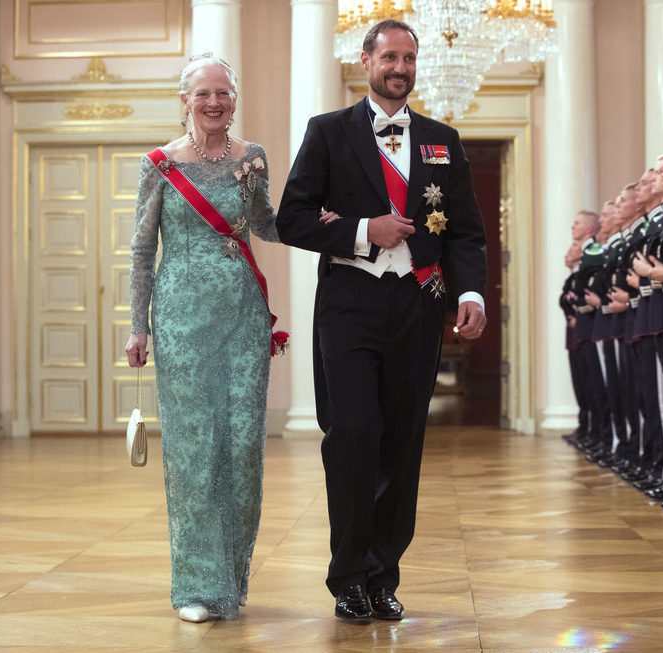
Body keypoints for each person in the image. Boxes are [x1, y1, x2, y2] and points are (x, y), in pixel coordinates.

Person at [276, 20, 488, 622]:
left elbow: (466, 233)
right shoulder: (329, 133)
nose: (400, 67)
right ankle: (347, 577)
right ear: (365, 60)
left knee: (402, 444)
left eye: (409, 58)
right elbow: (292, 219)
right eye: (390, 56)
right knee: (351, 438)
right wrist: (365, 231)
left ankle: (382, 576)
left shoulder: (442, 140)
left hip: (418, 308)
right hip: (349, 308)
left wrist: (470, 292)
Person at [125, 53, 284, 622]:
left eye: (223, 93)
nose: (214, 102)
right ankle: (195, 586)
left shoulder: (253, 158)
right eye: (203, 94)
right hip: (182, 318)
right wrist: (138, 324)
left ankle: (231, 581)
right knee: (194, 452)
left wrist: (328, 221)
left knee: (242, 448)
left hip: (243, 313)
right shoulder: (161, 164)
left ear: (234, 98)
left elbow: (265, 223)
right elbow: (144, 249)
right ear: (185, 100)